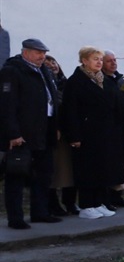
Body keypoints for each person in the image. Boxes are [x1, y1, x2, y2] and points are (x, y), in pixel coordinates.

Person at [59, 47, 124, 219]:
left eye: (100, 59)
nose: (99, 62)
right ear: (84, 61)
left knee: (103, 169)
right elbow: (70, 110)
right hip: (86, 134)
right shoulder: (76, 81)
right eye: (95, 59)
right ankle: (86, 205)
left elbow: (118, 106)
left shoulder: (105, 80)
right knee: (87, 170)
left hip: (107, 134)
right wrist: (74, 136)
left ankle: (98, 202)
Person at [1, 37, 60, 228]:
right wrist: (13, 133)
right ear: (25, 52)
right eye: (38, 53)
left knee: (43, 174)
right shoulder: (13, 70)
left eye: (43, 53)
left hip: (45, 129)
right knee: (16, 174)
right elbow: (7, 105)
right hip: (23, 131)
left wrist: (55, 127)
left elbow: (52, 99)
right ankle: (15, 218)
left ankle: (40, 212)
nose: (42, 56)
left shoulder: (43, 70)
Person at [101, 50, 124, 209]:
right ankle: (106, 198)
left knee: (120, 165)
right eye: (109, 61)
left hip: (122, 130)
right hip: (108, 131)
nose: (113, 63)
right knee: (108, 165)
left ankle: (117, 196)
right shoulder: (101, 80)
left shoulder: (120, 80)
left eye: (114, 60)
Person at [43, 54, 77, 216]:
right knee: (54, 171)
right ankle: (53, 204)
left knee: (71, 171)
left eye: (53, 61)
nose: (52, 65)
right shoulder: (45, 85)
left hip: (69, 133)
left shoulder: (68, 84)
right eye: (47, 63)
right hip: (53, 133)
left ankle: (70, 202)